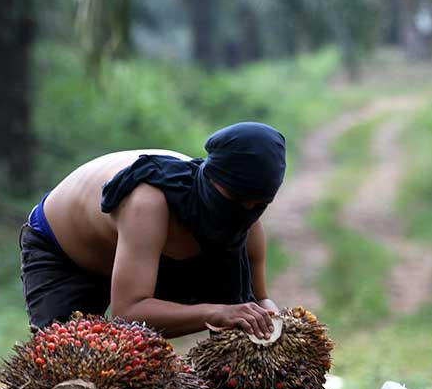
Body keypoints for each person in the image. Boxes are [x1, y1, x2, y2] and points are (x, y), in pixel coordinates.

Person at [19, 122, 285, 340]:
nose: (245, 211)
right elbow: (128, 314)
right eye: (237, 198)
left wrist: (275, 323)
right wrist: (218, 313)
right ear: (212, 178)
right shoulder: (148, 202)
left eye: (258, 205)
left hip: (137, 258)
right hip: (66, 251)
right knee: (68, 363)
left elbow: (258, 300)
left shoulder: (245, 224)